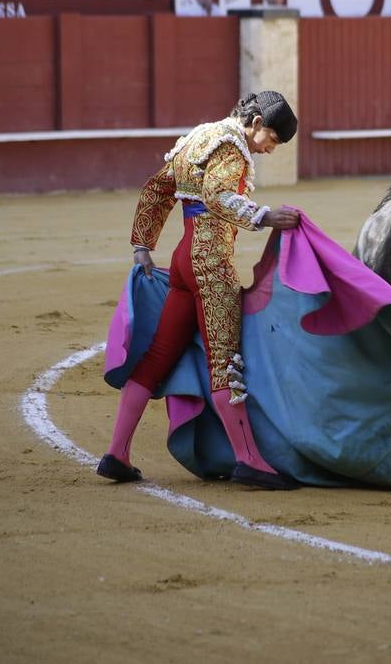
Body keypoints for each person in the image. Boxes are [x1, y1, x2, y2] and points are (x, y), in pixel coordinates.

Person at [102, 91, 302, 489]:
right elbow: (217, 194)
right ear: (257, 123)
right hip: (210, 263)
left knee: (158, 355)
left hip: (182, 261)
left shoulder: (199, 136)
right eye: (273, 142)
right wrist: (264, 216)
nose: (269, 151)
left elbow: (158, 188)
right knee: (226, 362)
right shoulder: (232, 146)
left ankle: (117, 453)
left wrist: (143, 244)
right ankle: (249, 459)